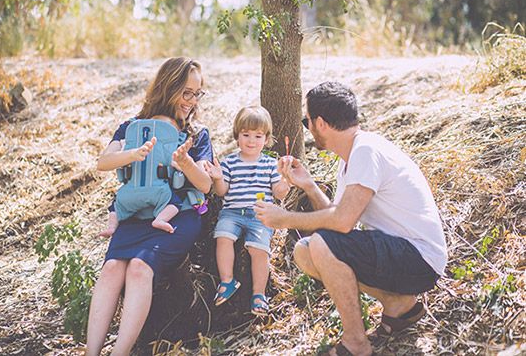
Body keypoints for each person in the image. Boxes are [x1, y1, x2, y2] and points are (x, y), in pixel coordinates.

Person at [254, 82, 447, 356]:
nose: (307, 127)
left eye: (306, 121)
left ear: (320, 123)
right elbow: (342, 222)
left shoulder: (366, 151)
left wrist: (285, 218)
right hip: (400, 253)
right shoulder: (353, 158)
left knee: (320, 244)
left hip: (418, 258)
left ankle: (356, 343)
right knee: (306, 250)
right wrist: (308, 185)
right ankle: (399, 305)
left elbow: (341, 223)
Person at [86, 57, 213, 356]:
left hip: (176, 216)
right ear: (168, 89)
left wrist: (186, 162)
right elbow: (103, 162)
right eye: (187, 93)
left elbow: (205, 185)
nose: (192, 102)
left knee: (140, 269)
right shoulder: (132, 128)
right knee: (111, 270)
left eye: (198, 94)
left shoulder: (196, 133)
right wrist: (133, 154)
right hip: (135, 214)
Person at [204, 106, 289, 316]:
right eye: (246, 135)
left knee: (258, 250)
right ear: (237, 136)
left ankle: (258, 294)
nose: (251, 141)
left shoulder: (270, 164)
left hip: (260, 215)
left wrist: (287, 180)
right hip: (232, 213)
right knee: (223, 236)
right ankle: (227, 281)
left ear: (266, 139)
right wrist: (217, 177)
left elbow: (279, 194)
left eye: (258, 136)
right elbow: (222, 191)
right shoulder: (229, 162)